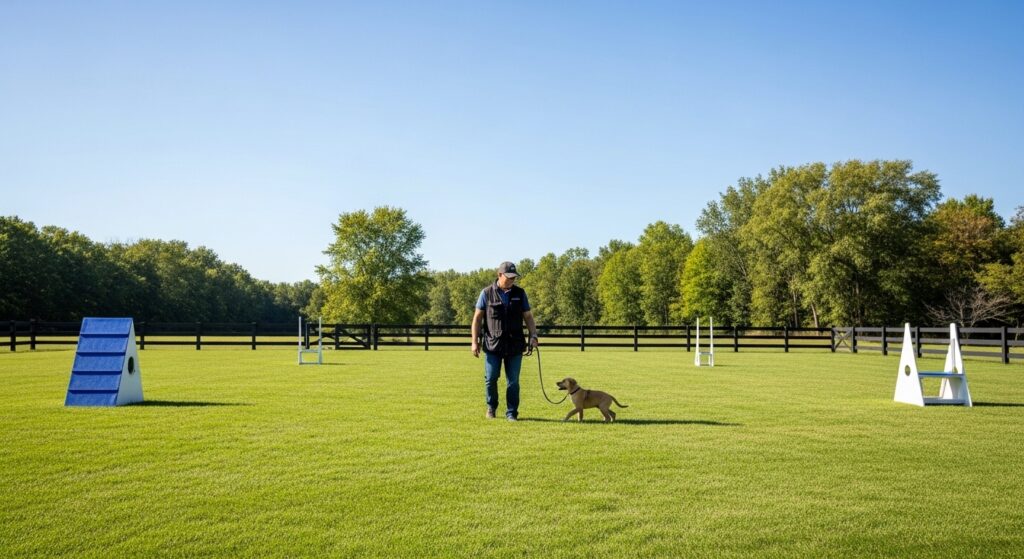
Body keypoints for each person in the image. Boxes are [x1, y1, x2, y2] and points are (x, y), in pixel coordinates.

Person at [471, 261, 539, 421]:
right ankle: (491, 407)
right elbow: (477, 319)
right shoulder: (486, 293)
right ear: (499, 275)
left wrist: (533, 335)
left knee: (513, 382)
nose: (511, 280)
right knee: (491, 378)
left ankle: (512, 413)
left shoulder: (520, 293)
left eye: (514, 278)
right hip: (492, 345)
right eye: (508, 277)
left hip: (515, 345)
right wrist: (474, 341)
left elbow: (528, 317)